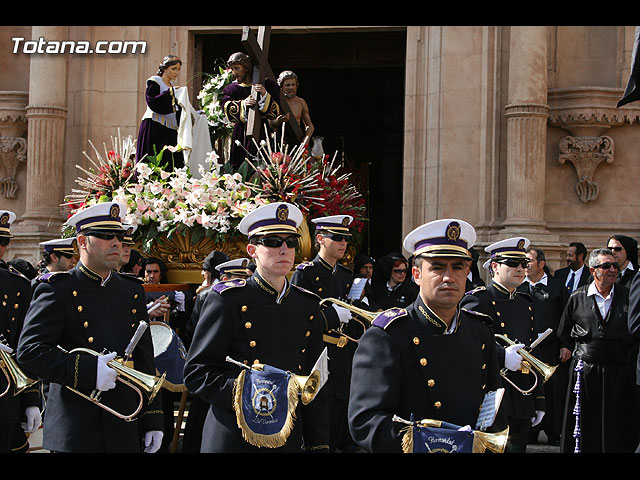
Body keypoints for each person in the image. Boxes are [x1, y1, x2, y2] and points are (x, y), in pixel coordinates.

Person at [348, 219, 507, 453]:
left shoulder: (480, 331)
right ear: (416, 274)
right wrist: (432, 444)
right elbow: (365, 422)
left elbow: (493, 409)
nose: (449, 277)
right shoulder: (388, 335)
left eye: (457, 267)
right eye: (438, 267)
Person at [16, 202, 164, 453]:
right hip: (77, 428)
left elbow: (144, 361)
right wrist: (88, 370)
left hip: (124, 420)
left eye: (119, 236)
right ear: (82, 241)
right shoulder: (57, 288)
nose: (117, 242)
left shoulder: (131, 289)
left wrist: (153, 418)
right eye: (106, 236)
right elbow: (30, 352)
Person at [184, 202, 329, 452]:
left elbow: (315, 381)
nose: (284, 249)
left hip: (286, 438)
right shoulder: (227, 300)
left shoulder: (307, 305)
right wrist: (251, 390)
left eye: (291, 242)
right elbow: (197, 373)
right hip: (234, 435)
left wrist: (319, 444)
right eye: (273, 241)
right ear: (252, 249)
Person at [460, 237, 545, 453]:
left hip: (521, 395)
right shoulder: (478, 300)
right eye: (512, 264)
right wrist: (502, 356)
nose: (520, 269)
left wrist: (539, 400)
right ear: (495, 266)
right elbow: (468, 343)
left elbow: (532, 354)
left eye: (523, 264)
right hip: (491, 398)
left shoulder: (525, 303)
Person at [291, 214, 362, 452]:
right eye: (338, 238)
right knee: (320, 415)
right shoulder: (306, 273)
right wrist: (332, 316)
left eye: (346, 239)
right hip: (319, 353)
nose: (343, 243)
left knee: (342, 411)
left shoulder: (345, 275)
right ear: (320, 239)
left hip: (343, 353)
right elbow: (300, 319)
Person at [558, 248, 639, 453]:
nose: (612, 269)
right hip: (585, 372)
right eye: (606, 266)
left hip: (619, 372)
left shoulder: (628, 296)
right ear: (594, 270)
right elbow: (564, 331)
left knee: (617, 425)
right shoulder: (577, 297)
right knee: (585, 423)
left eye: (614, 265)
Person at [518, 247, 569, 446]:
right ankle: (530, 431)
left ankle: (553, 432)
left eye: (530, 261)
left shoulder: (557, 287)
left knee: (553, 391)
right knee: (529, 387)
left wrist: (565, 344)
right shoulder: (519, 287)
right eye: (524, 261)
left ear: (542, 263)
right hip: (525, 349)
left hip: (550, 348)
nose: (526, 265)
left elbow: (567, 317)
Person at [0, 211, 42, 454]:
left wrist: (31, 400)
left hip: (6, 400)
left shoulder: (18, 286)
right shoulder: (19, 285)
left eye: (3, 241)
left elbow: (26, 348)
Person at [222, 52, 283, 170]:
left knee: (263, 163)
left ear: (246, 68)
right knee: (239, 165)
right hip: (240, 133)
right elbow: (225, 106)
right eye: (232, 69)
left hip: (262, 131)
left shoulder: (269, 85)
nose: (234, 73)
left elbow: (275, 111)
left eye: (237, 68)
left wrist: (265, 94)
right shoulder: (232, 89)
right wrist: (244, 104)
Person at [136, 55, 184, 169]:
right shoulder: (155, 81)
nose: (176, 72)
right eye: (174, 69)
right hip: (154, 127)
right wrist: (171, 93)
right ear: (165, 69)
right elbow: (153, 102)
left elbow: (176, 110)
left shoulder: (173, 87)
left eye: (178, 69)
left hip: (169, 130)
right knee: (152, 160)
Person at [277, 70, 315, 145]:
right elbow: (270, 123)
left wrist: (307, 138)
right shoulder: (277, 102)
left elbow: (309, 125)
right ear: (281, 87)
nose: (291, 87)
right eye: (287, 85)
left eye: (293, 85)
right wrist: (278, 121)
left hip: (297, 141)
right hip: (280, 143)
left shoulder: (301, 102)